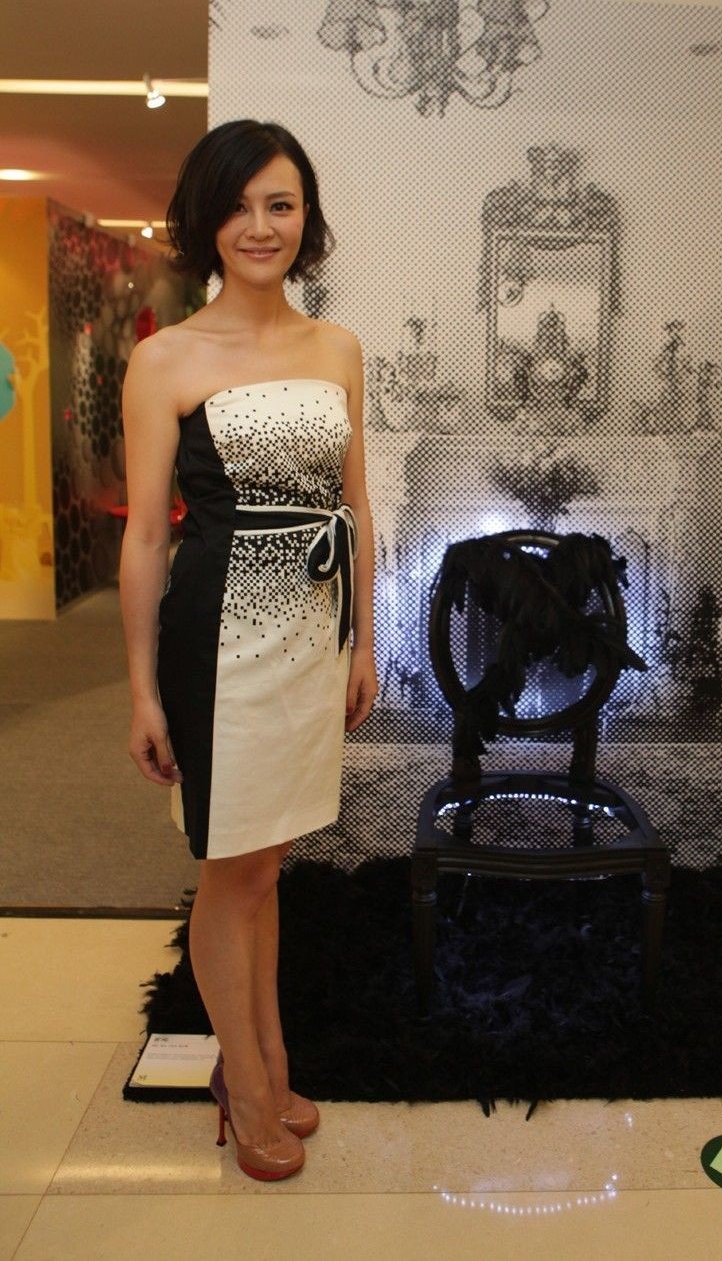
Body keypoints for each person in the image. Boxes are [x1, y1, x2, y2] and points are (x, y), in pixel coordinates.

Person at [119, 120, 376, 1181]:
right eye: (236, 207)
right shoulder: (166, 358)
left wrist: (362, 644)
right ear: (204, 222)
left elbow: (356, 509)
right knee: (231, 872)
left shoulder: (337, 348)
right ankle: (252, 1085)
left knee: (265, 864)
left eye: (280, 204)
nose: (259, 227)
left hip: (313, 636)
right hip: (217, 643)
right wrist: (142, 691)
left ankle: (262, 1062)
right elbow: (145, 536)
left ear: (306, 216)